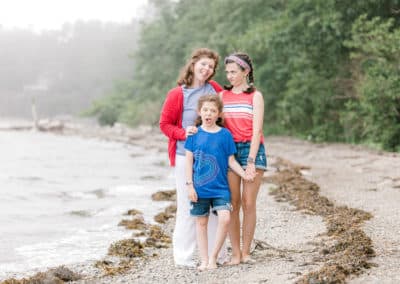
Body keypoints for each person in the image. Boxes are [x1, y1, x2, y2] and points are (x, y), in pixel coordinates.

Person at [159, 48, 226, 267]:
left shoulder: (214, 90)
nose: (206, 69)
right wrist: (183, 132)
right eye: (203, 64)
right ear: (193, 63)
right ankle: (183, 258)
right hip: (183, 157)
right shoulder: (177, 94)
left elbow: (225, 114)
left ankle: (217, 256)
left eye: (211, 67)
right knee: (188, 204)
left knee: (215, 207)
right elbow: (164, 124)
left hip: (213, 158)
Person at [185, 95, 248, 271]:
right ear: (199, 112)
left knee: (225, 218)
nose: (209, 113)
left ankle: (213, 257)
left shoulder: (225, 135)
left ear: (219, 114)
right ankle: (204, 260)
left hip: (221, 188)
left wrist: (244, 175)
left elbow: (231, 161)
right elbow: (188, 161)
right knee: (201, 223)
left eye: (213, 110)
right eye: (205, 110)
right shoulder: (194, 134)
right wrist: (189, 185)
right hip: (199, 188)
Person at [220, 52, 267, 265]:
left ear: (245, 72)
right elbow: (216, 126)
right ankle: (235, 254)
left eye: (233, 72)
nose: (229, 76)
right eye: (227, 72)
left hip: (252, 150)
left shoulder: (255, 96)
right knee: (233, 203)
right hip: (230, 152)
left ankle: (246, 252)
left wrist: (250, 161)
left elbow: (257, 131)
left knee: (249, 202)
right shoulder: (223, 96)